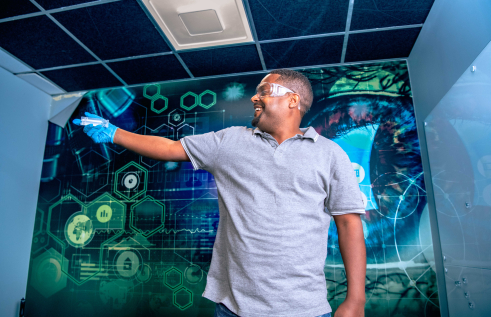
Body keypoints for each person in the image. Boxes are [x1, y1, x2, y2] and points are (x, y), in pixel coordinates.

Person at [74, 69, 367, 317]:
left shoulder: (330, 154)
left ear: (293, 99)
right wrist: (113, 132)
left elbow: (348, 223)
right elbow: (169, 148)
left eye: (264, 90)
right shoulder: (230, 141)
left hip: (306, 309)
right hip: (233, 308)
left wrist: (356, 299)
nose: (255, 96)